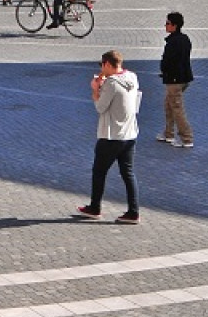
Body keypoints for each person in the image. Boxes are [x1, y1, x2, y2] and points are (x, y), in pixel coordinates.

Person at [76, 49, 142, 223]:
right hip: (129, 134)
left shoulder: (111, 83)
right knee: (128, 173)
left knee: (99, 172)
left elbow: (100, 107)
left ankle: (94, 207)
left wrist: (96, 89)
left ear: (107, 64)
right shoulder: (132, 77)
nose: (101, 69)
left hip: (111, 135)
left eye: (102, 65)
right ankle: (133, 212)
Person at [158, 13, 194, 149]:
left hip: (175, 80)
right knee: (169, 105)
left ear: (174, 25)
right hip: (183, 78)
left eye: (168, 23)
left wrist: (165, 71)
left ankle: (186, 138)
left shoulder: (173, 42)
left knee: (177, 108)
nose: (165, 25)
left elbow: (170, 61)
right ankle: (168, 134)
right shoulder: (185, 39)